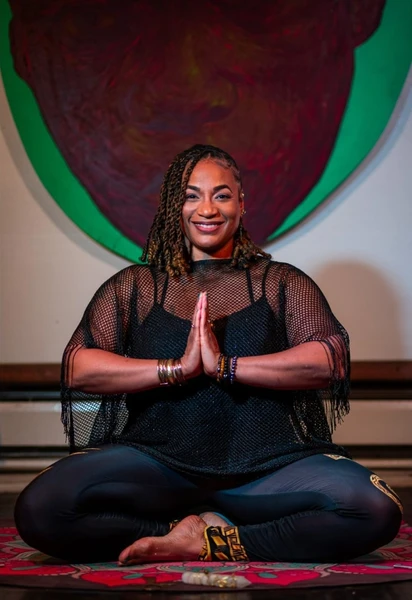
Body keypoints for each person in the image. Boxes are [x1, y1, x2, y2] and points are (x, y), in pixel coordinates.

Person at [14, 144, 402, 565]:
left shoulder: (281, 282)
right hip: (157, 466)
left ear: (241, 204)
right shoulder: (135, 286)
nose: (207, 209)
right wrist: (177, 369)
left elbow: (327, 360)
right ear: (174, 207)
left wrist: (224, 367)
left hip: (266, 468)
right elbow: (79, 366)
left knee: (374, 508)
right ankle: (176, 533)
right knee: (41, 507)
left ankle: (212, 541)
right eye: (191, 195)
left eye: (222, 195)